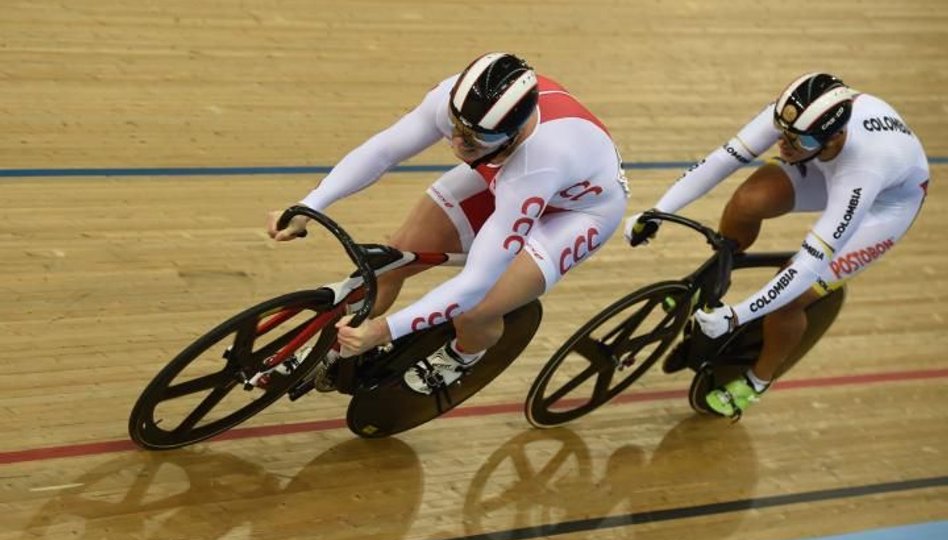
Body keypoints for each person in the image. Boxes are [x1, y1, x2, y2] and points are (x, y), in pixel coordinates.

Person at [267, 52, 629, 394]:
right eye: (455, 128)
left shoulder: (540, 162)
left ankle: (464, 353)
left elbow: (475, 282)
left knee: (476, 308)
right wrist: (309, 204)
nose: (457, 142)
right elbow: (382, 151)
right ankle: (327, 349)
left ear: (514, 134)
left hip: (575, 214)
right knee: (393, 260)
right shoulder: (462, 106)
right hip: (503, 174)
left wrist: (382, 331)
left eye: (472, 140)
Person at [624, 72, 929, 418]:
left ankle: (757, 379)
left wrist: (738, 315)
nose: (784, 145)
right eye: (783, 135)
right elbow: (724, 158)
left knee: (792, 297)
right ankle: (716, 276)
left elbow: (810, 263)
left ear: (834, 137)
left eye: (798, 142)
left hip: (883, 207)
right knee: (746, 203)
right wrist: (659, 211)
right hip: (823, 167)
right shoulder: (800, 113)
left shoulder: (864, 171)